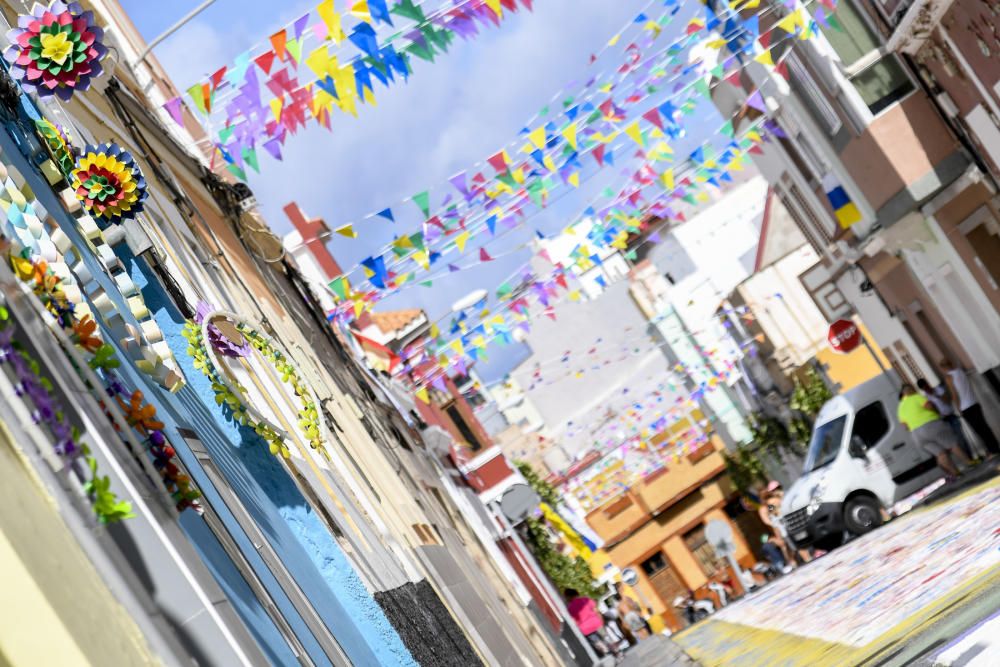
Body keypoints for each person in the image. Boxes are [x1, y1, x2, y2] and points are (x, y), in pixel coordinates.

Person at [897, 383, 971, 479]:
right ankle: (969, 463)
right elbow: (929, 406)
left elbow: (905, 426)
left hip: (916, 434)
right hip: (932, 425)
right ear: (910, 390)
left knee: (940, 454)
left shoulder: (900, 407)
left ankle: (955, 473)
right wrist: (937, 413)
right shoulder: (916, 397)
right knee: (952, 444)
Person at [941, 360, 1000, 456]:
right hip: (974, 403)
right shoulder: (960, 371)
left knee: (978, 430)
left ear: (943, 368)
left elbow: (954, 394)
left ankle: (991, 449)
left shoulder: (949, 378)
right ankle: (995, 447)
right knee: (985, 427)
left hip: (965, 407)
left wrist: (958, 408)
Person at [916, 378, 974, 460]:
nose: (927, 389)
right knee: (954, 442)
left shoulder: (939, 390)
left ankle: (970, 457)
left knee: (960, 437)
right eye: (924, 388)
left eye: (927, 386)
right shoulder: (925, 398)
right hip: (941, 421)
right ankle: (967, 458)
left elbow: (948, 400)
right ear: (922, 389)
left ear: (928, 383)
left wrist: (936, 395)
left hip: (951, 416)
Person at [565, 588, 622, 660]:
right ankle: (618, 653)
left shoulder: (570, 608)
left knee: (598, 642)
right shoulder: (585, 599)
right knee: (607, 638)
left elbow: (575, 621)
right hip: (596, 623)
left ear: (569, 596)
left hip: (586, 629)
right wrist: (601, 620)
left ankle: (609, 656)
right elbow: (596, 610)